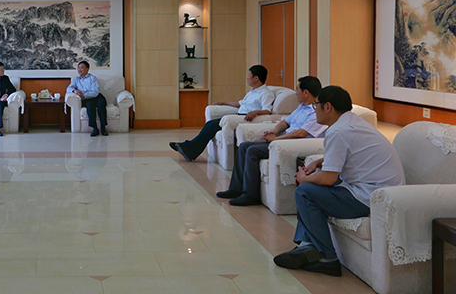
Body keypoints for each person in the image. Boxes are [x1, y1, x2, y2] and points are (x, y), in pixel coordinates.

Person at [273, 85, 404, 277]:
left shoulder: (338, 131)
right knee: (312, 187)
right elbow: (349, 155)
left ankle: (327, 258)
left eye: (316, 105)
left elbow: (328, 178)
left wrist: (304, 178)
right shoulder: (353, 123)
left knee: (305, 191)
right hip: (383, 193)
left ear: (328, 107)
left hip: (370, 198)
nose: (314, 110)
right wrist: (319, 161)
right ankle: (307, 245)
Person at [216, 76, 327, 206]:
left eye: (297, 89)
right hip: (283, 140)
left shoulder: (315, 112)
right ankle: (235, 189)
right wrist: (274, 132)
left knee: (252, 151)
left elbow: (301, 133)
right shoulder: (302, 107)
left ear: (306, 92)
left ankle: (250, 195)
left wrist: (276, 139)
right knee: (244, 146)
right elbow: (285, 122)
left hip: (292, 144)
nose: (296, 93)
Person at [170, 65, 274, 162]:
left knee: (212, 126)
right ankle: (189, 148)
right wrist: (222, 102)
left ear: (256, 78)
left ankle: (189, 149)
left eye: (249, 75)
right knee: (210, 124)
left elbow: (267, 110)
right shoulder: (252, 92)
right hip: (238, 116)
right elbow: (239, 104)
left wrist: (256, 112)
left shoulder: (266, 93)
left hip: (247, 119)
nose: (247, 78)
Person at [66, 61, 108, 137]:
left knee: (101, 104)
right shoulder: (76, 80)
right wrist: (74, 91)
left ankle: (103, 127)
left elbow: (95, 92)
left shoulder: (93, 78)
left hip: (96, 96)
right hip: (87, 99)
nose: (79, 70)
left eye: (81, 67)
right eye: (78, 68)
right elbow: (68, 88)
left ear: (87, 69)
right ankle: (95, 128)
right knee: (90, 106)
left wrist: (84, 94)